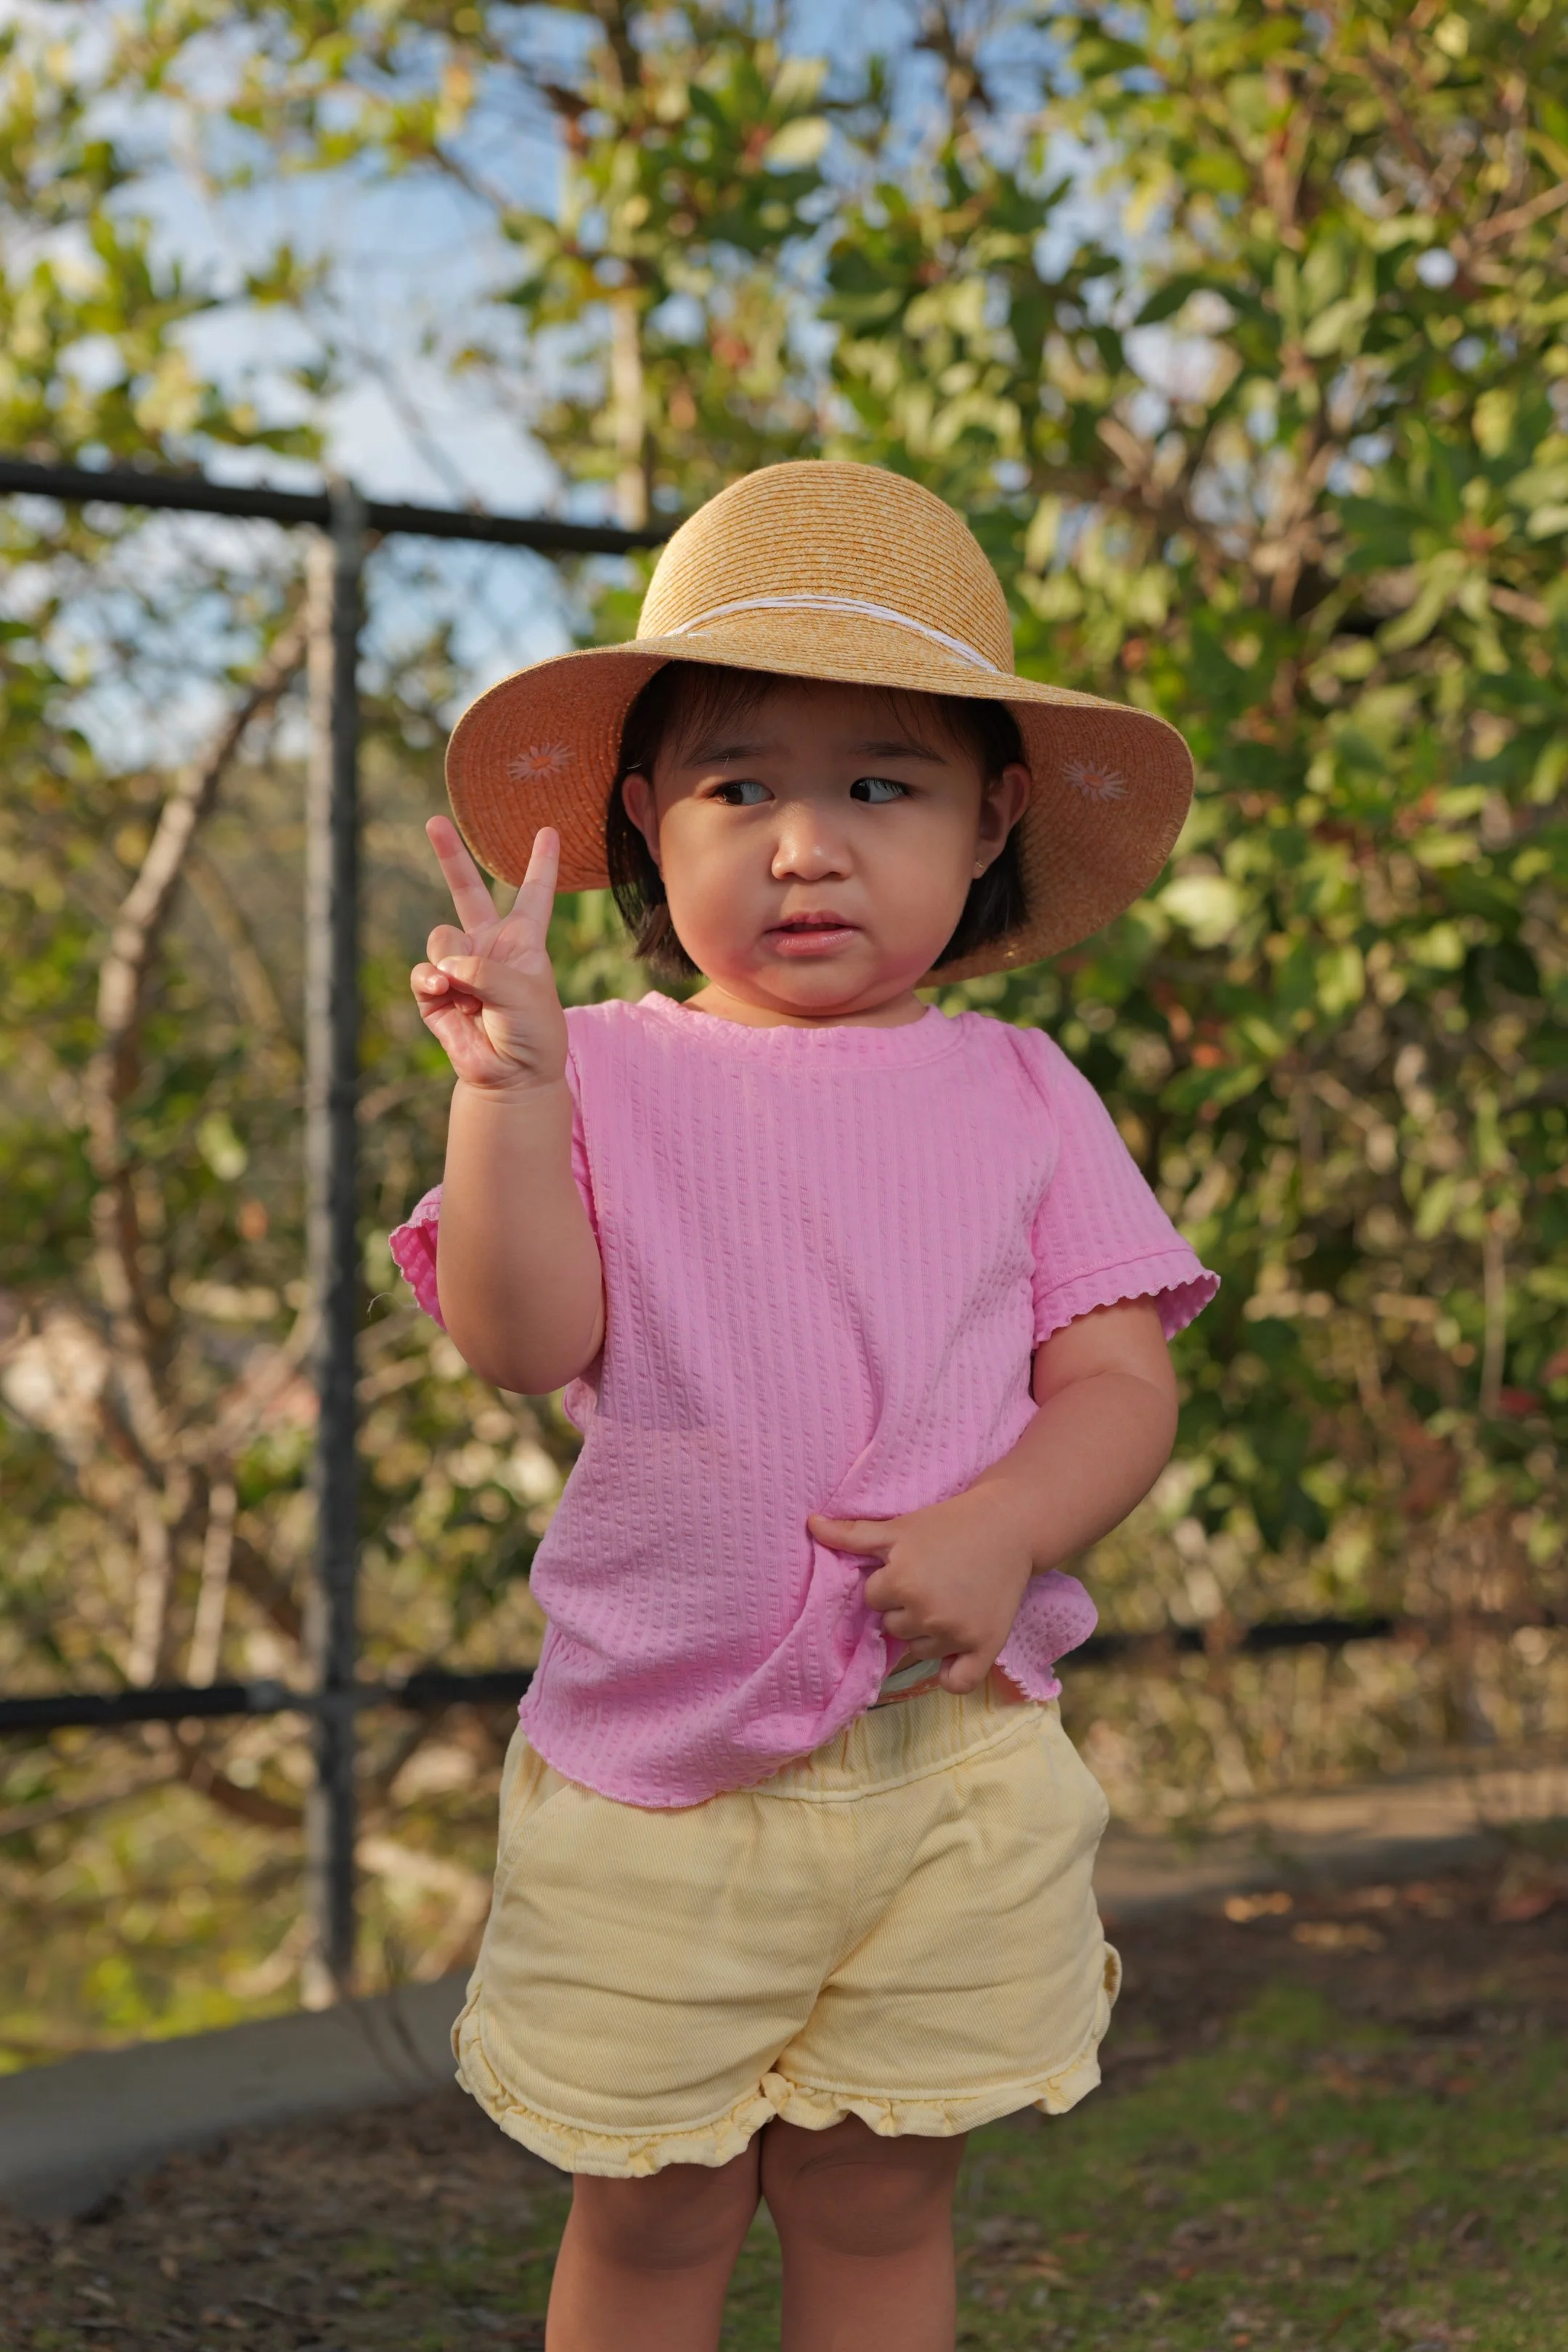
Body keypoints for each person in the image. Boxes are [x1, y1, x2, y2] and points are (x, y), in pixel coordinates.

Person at [390, 460, 1216, 2352]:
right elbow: (522, 1339)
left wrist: (1006, 1526)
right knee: (658, 2215)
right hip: (657, 1772)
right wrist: (505, 1094)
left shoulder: (1022, 1091)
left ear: (992, 817)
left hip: (946, 1765)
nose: (806, 845)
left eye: (881, 786)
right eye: (740, 784)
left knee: (873, 2198)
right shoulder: (597, 1071)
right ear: (640, 824)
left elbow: (1115, 1381)